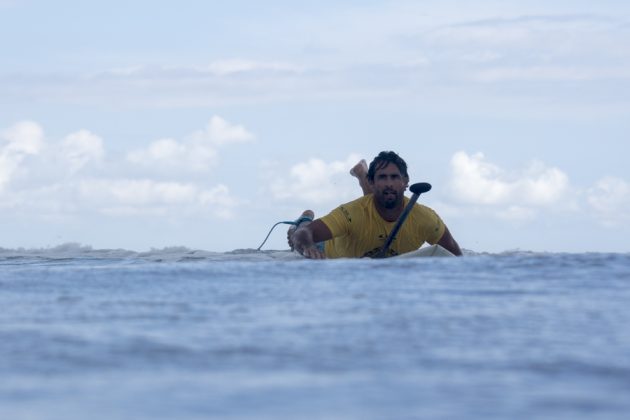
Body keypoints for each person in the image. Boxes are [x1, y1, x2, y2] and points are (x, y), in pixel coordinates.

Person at [289, 151, 462, 259]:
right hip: (329, 248)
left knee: (382, 198)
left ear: (406, 181)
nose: (389, 183)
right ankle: (305, 217)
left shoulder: (425, 218)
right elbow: (305, 234)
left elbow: (457, 257)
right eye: (382, 177)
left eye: (395, 177)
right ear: (372, 182)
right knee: (296, 234)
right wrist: (308, 247)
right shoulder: (350, 213)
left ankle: (362, 173)